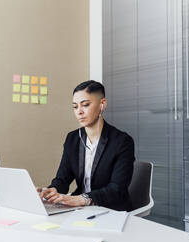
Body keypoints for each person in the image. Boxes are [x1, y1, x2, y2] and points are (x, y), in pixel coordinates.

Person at [38, 80, 135, 211]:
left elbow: (116, 189)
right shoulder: (72, 138)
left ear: (102, 104)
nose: (79, 112)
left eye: (85, 105)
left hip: (111, 209)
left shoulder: (122, 141)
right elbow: (63, 178)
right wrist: (51, 190)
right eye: (75, 106)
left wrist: (83, 199)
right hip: (81, 209)